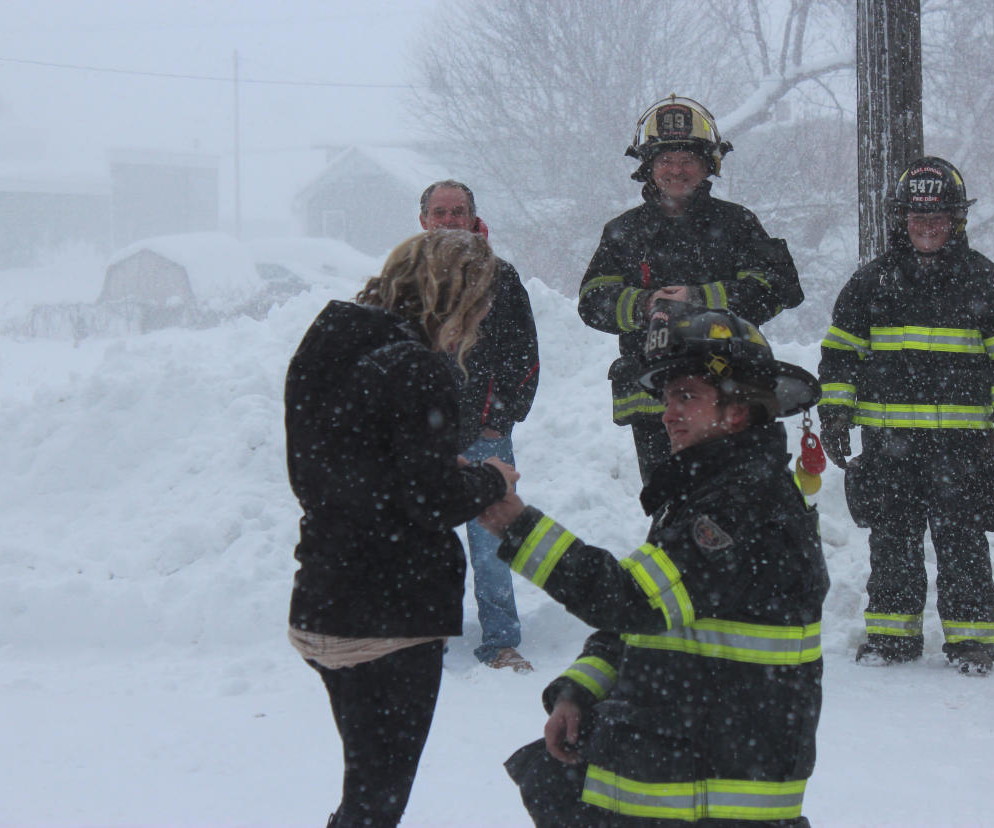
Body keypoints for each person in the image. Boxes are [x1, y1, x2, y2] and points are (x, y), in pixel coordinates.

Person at [480, 305, 828, 827]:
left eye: (686, 396)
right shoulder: (702, 494)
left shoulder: (745, 506)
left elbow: (631, 599)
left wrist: (514, 523)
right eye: (667, 398)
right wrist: (580, 690)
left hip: (715, 798)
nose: (667, 413)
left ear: (736, 412)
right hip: (670, 776)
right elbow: (644, 623)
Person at [284, 230, 518, 827]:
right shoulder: (417, 367)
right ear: (456, 295)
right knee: (376, 803)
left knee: (365, 793)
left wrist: (434, 470)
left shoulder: (327, 343)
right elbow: (431, 501)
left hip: (323, 596)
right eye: (483, 301)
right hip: (390, 616)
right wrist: (491, 479)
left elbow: (344, 464)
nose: (485, 316)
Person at [818, 157, 994, 676]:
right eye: (918, 218)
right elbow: (839, 357)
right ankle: (891, 639)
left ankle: (972, 643)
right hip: (889, 445)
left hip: (962, 447)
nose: (927, 227)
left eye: (938, 217)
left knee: (962, 541)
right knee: (892, 540)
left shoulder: (987, 282)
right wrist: (835, 415)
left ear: (956, 219)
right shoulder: (870, 284)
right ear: (902, 219)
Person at [579, 94, 804, 484]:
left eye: (687, 160)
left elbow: (773, 289)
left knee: (736, 509)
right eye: (665, 160)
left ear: (708, 166)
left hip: (730, 400)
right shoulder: (623, 231)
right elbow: (592, 300)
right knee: (667, 513)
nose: (676, 170)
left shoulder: (737, 224)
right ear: (648, 168)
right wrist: (644, 303)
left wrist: (701, 299)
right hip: (656, 405)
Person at [419, 179, 540, 673]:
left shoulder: (501, 278)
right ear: (424, 219)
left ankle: (501, 641)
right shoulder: (406, 279)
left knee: (492, 542)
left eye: (459, 211)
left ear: (474, 218)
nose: (449, 220)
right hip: (422, 438)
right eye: (440, 212)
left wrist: (498, 418)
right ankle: (425, 638)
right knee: (423, 542)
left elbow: (523, 355)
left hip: (484, 433)